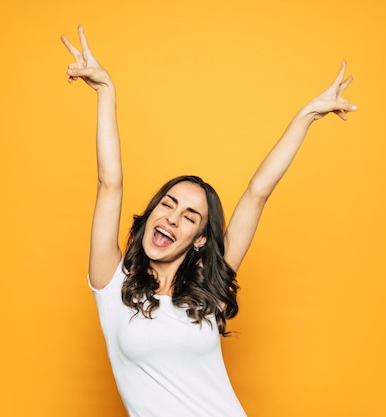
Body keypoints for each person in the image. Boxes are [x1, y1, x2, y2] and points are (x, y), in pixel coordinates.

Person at [61, 24, 357, 417]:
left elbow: (257, 193)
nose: (171, 218)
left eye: (189, 216)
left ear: (199, 240)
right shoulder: (112, 286)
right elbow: (109, 183)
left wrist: (307, 115)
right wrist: (105, 90)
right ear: (151, 214)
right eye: (167, 204)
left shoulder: (208, 289)